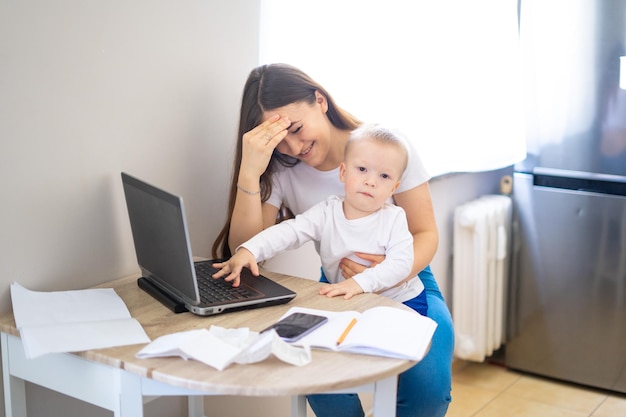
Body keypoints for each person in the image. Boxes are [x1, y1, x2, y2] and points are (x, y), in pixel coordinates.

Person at [212, 63, 453, 417]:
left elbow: (426, 233)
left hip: (408, 284)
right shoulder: (282, 170)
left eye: (295, 129)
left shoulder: (384, 148)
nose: (294, 146)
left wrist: (380, 275)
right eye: (280, 141)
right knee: (319, 381)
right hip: (335, 287)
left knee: (427, 391)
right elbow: (250, 250)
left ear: (320, 101)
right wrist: (250, 171)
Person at [213, 124, 427, 313]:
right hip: (351, 299)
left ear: (394, 188)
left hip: (401, 301)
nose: (371, 181)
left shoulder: (394, 219)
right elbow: (290, 232)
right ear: (343, 172)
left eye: (384, 176)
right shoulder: (326, 212)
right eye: (362, 169)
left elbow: (401, 265)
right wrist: (250, 250)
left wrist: (359, 283)